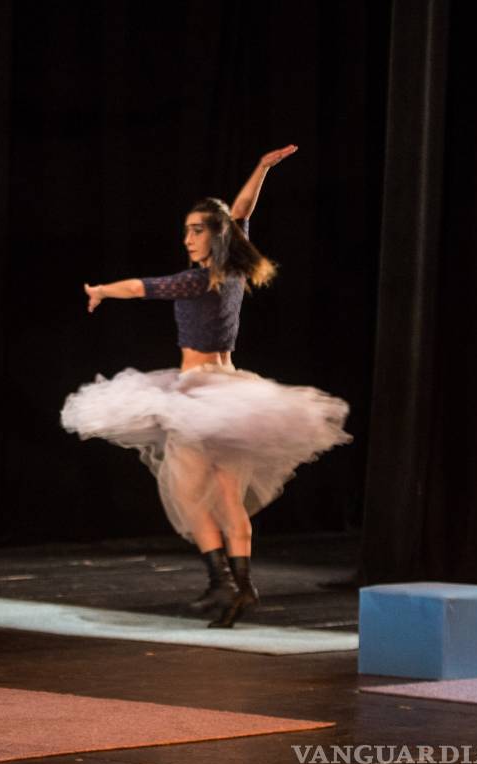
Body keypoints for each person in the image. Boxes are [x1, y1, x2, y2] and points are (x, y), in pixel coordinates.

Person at [61, 145, 350, 628]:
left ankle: (221, 584)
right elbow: (240, 213)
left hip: (199, 393)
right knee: (225, 495)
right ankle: (243, 585)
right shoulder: (234, 273)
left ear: (216, 237)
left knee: (190, 492)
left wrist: (101, 290)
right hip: (233, 390)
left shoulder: (199, 282)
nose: (188, 239)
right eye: (186, 231)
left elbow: (141, 287)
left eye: (197, 230)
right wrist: (260, 167)